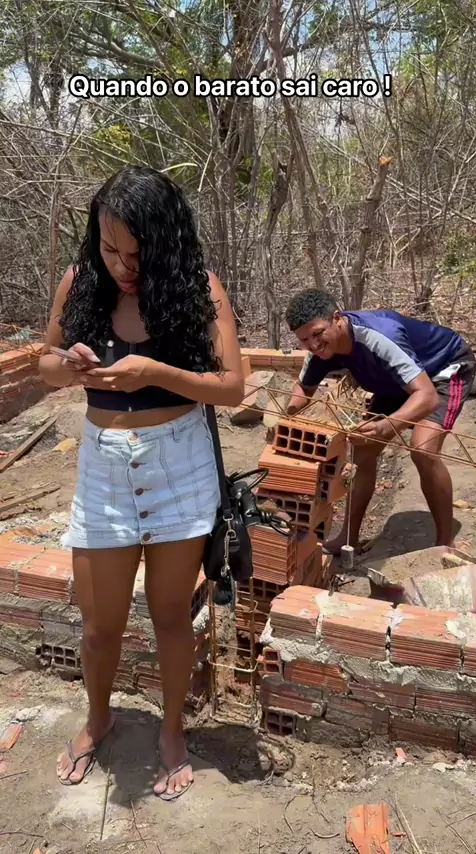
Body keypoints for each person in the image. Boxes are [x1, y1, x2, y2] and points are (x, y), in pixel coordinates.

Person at [39, 165, 244, 800]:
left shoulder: (199, 287)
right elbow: (45, 366)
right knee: (99, 624)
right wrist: (71, 366)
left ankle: (172, 731)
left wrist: (157, 371)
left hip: (177, 464)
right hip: (103, 468)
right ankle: (98, 717)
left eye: (136, 253)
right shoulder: (80, 282)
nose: (122, 266)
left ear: (165, 242)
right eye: (110, 249)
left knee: (170, 617)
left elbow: (232, 387)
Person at [284, 288, 476, 555]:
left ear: (337, 318)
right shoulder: (319, 352)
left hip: (442, 369)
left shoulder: (378, 336)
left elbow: (427, 396)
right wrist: (286, 417)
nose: (313, 344)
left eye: (318, 334)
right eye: (304, 339)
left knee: (423, 449)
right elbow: (303, 389)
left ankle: (445, 544)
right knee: (363, 450)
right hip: (396, 382)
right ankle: (348, 539)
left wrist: (387, 425)